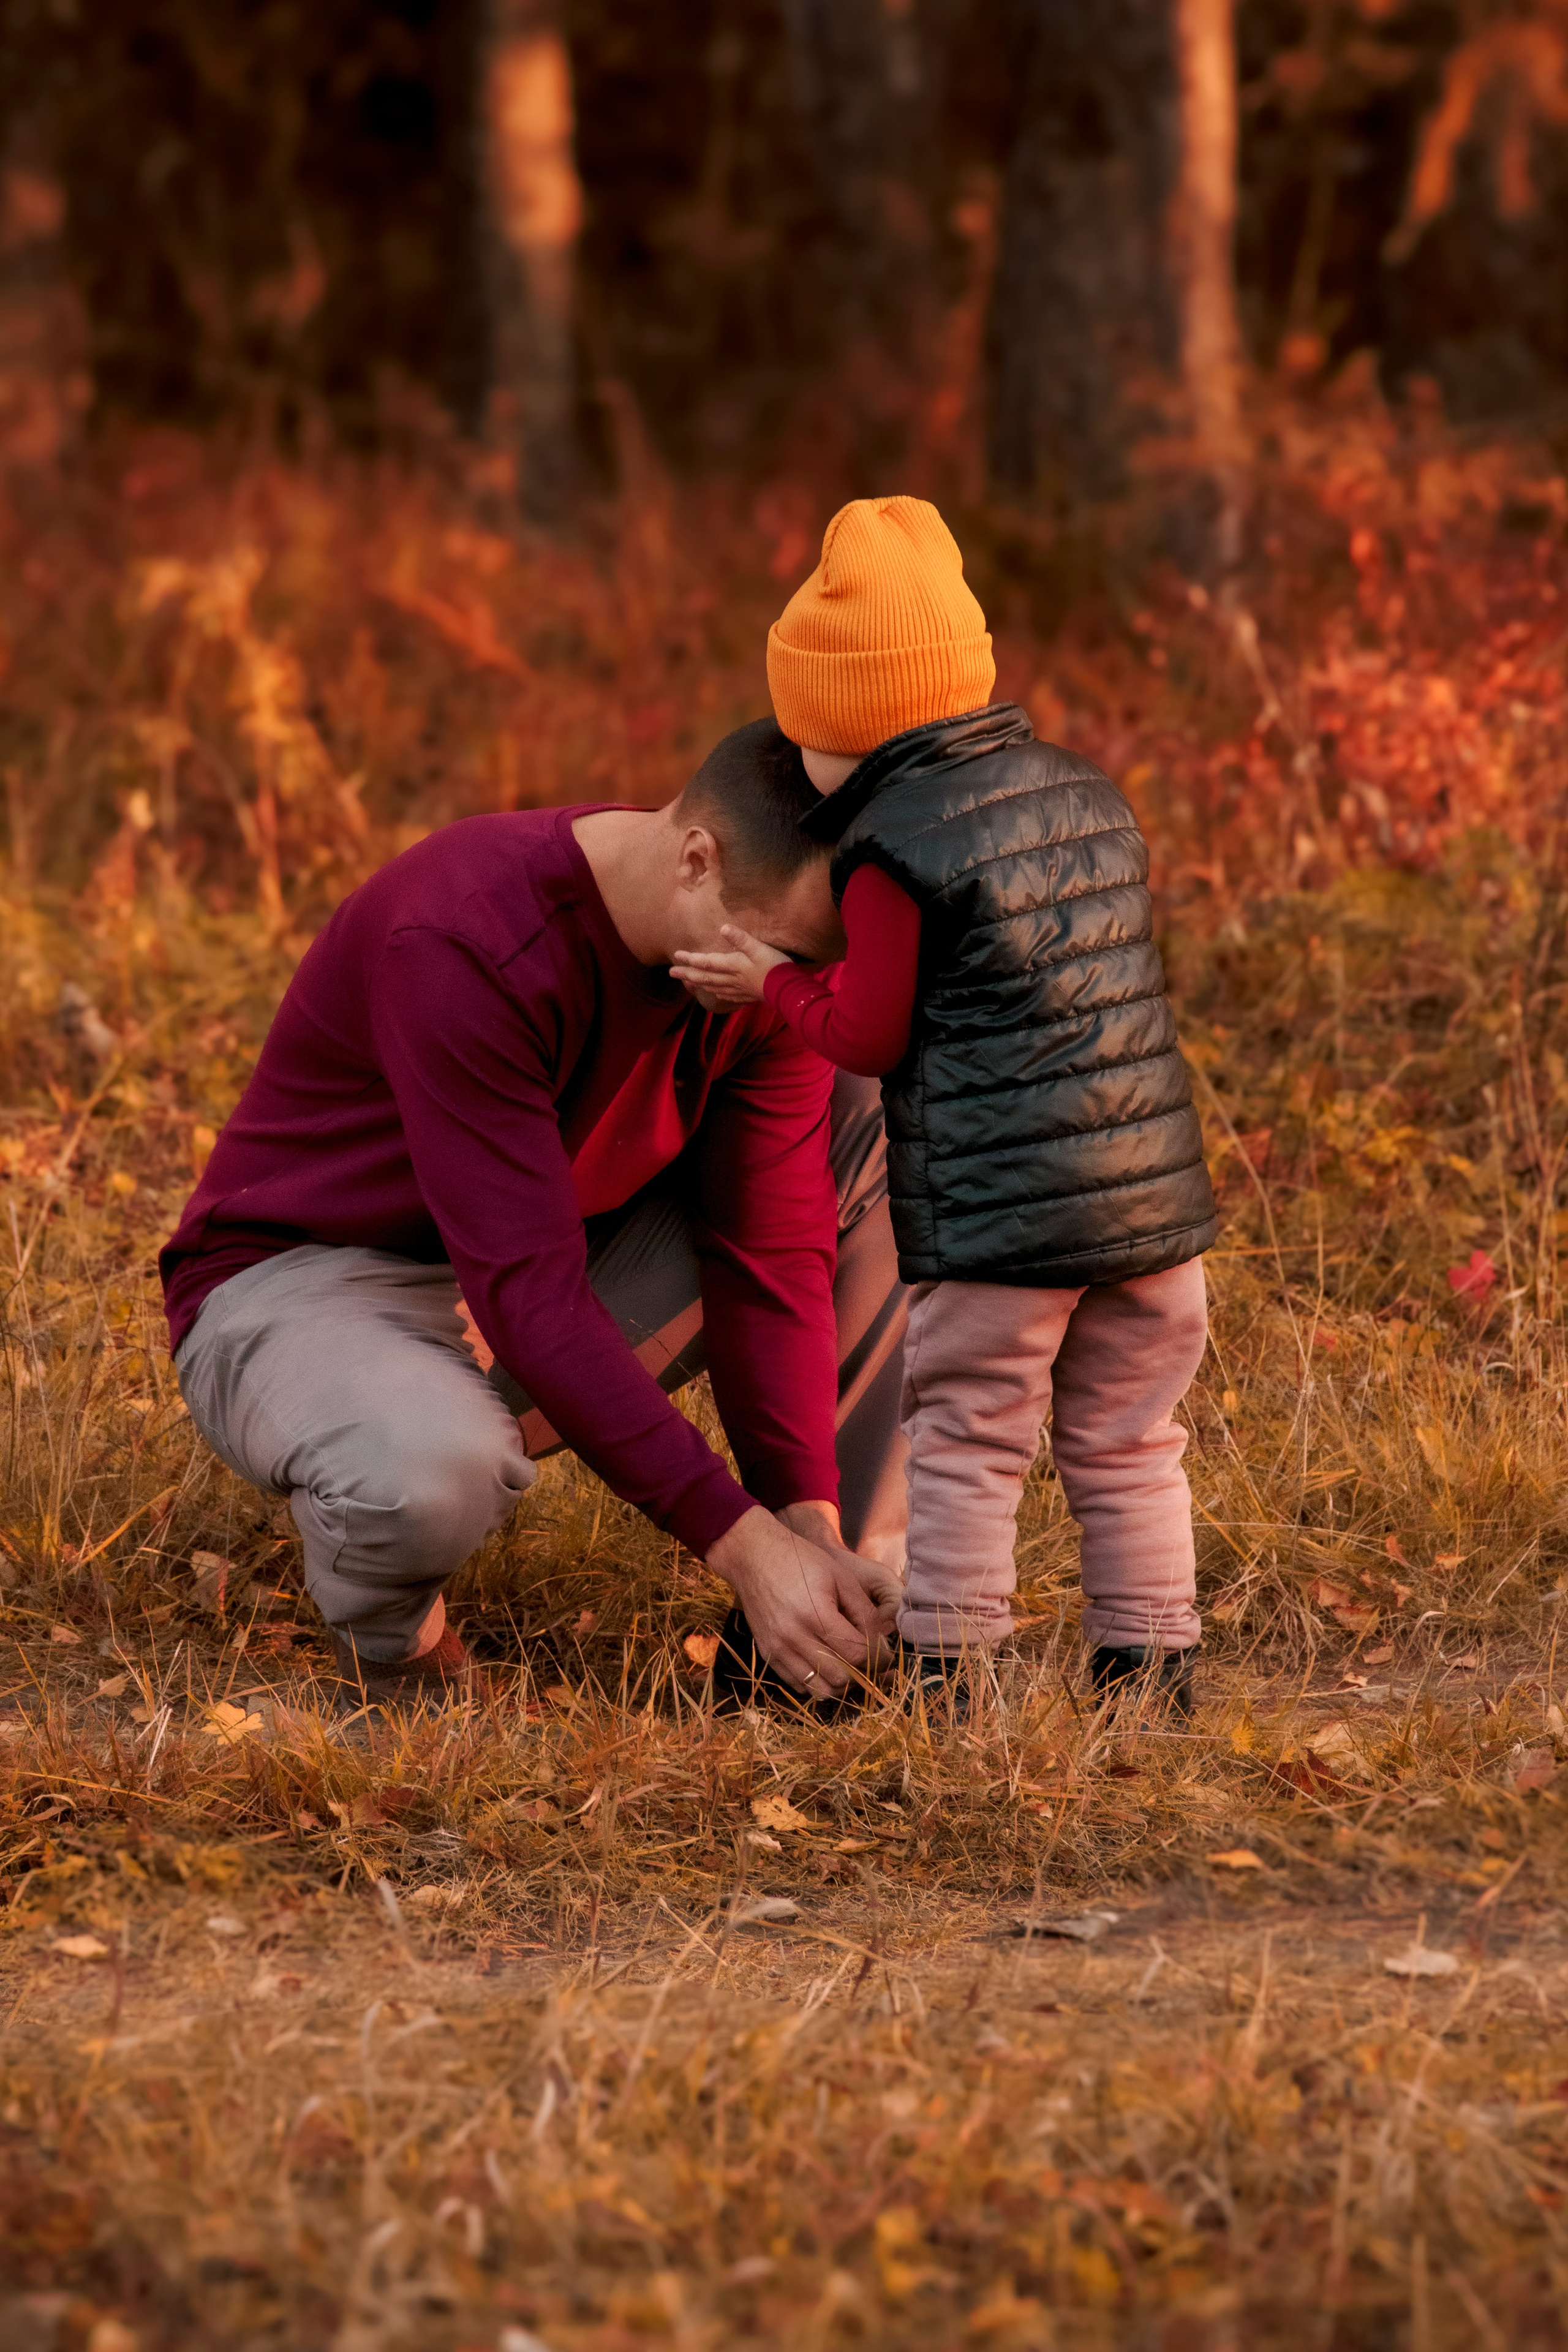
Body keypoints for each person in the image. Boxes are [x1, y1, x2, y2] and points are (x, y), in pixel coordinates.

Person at [160, 721, 908, 1704]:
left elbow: (766, 1248)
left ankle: (830, 1620)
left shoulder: (768, 971)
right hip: (314, 1281)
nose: (794, 989)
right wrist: (736, 1542)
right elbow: (531, 1295)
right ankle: (398, 1649)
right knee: (427, 1475)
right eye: (786, 953)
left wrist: (800, 1521)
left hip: (538, 1255)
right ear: (696, 858)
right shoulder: (467, 936)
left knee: (884, 1126)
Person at [673, 497, 1218, 1714]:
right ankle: (1149, 1676)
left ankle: (949, 1678)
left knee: (969, 1435)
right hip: (1152, 1214)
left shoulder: (893, 847)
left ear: (847, 728)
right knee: (1130, 1441)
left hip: (1003, 1227)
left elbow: (867, 1031)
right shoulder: (1086, 791)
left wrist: (771, 979)